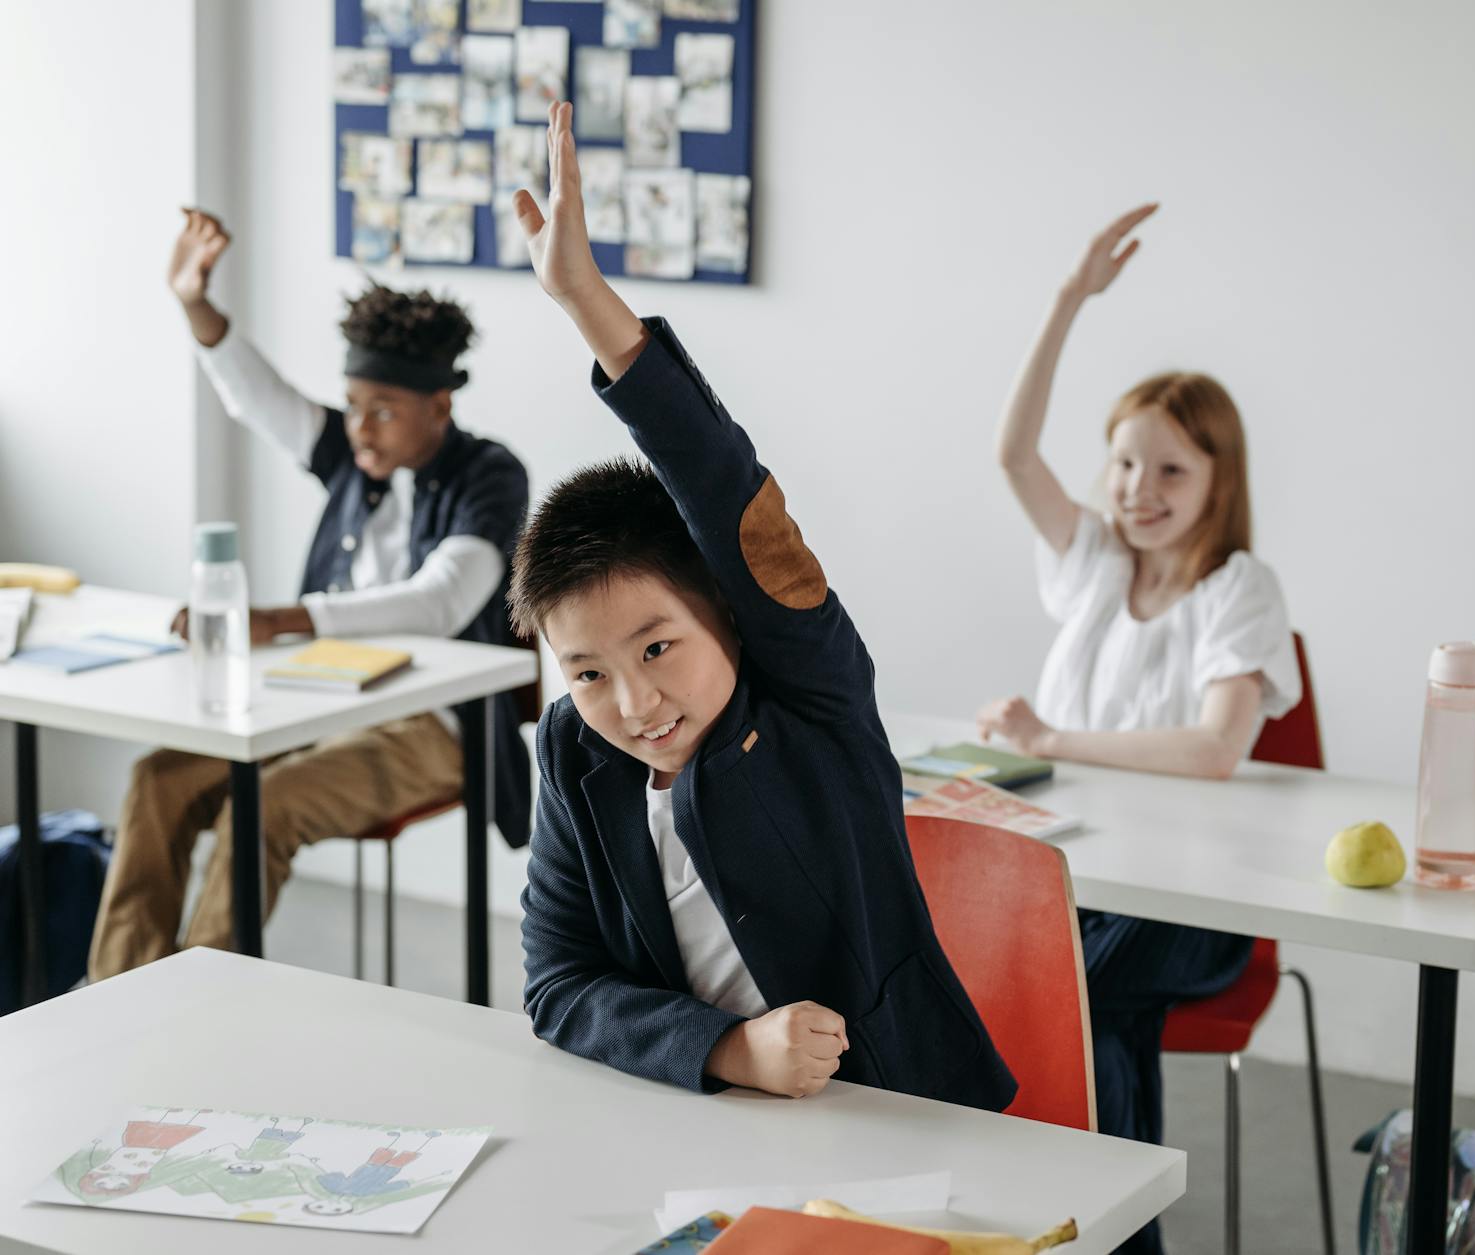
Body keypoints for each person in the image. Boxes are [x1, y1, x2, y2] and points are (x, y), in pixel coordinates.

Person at [507, 103, 1015, 1110]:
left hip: (896, 1112)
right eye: (590, 672)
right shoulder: (573, 751)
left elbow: (724, 489)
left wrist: (585, 303)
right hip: (693, 1124)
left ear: (728, 616)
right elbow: (558, 987)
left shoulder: (807, 696)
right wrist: (726, 1048)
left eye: (657, 648)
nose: (634, 702)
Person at [86, 210, 532, 981]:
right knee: (157, 780)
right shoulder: (351, 450)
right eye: (353, 402)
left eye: (383, 409)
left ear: (439, 407)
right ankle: (113, 990)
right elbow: (256, 395)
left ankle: (192, 1002)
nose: (360, 426)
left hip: (435, 726)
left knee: (265, 805)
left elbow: (441, 601)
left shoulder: (490, 475)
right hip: (320, 698)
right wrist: (196, 303)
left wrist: (280, 619)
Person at [977, 205, 1302, 1255]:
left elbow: (1215, 748)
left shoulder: (1238, 588)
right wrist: (1068, 299)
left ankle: (1072, 1226)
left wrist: (1054, 738)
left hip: (1196, 904)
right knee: (1057, 986)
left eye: (1170, 470)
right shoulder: (1092, 563)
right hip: (1081, 879)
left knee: (1049, 988)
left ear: (1218, 480)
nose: (1138, 491)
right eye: (1123, 465)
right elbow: (1012, 450)